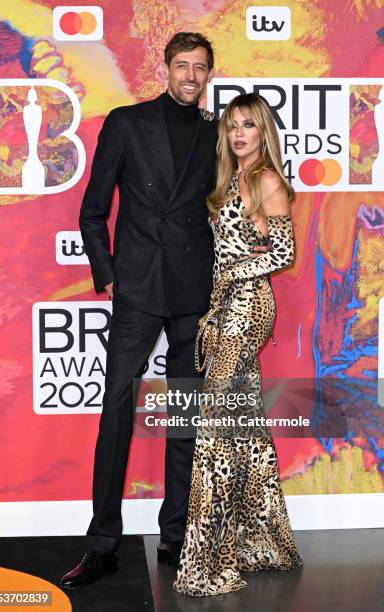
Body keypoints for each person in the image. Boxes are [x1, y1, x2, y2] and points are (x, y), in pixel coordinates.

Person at [58, 31, 219, 589]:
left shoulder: (216, 133)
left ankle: (175, 536)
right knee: (116, 413)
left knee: (185, 418)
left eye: (201, 67)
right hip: (138, 291)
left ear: (209, 74)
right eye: (182, 65)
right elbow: (92, 210)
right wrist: (110, 274)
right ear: (166, 68)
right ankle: (102, 543)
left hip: (193, 293)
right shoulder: (127, 123)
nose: (191, 76)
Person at [173, 93, 304, 597]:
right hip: (223, 305)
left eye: (249, 125)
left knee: (215, 429)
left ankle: (211, 562)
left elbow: (285, 252)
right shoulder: (228, 179)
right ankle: (263, 543)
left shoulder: (266, 179)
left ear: (263, 130)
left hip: (247, 307)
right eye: (231, 126)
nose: (239, 134)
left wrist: (231, 274)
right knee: (243, 425)